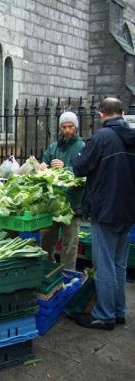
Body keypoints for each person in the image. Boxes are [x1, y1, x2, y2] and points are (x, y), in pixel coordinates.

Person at [73, 97, 135, 330]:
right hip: (128, 211)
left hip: (106, 209)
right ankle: (119, 311)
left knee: (105, 264)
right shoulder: (131, 138)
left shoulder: (102, 137)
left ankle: (105, 315)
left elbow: (80, 168)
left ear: (102, 114)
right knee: (119, 263)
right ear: (121, 113)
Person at [40, 112, 85, 270]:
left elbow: (84, 171)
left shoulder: (82, 146)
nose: (67, 130)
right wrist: (43, 166)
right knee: (47, 241)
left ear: (76, 127)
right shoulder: (54, 146)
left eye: (70, 127)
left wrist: (66, 168)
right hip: (53, 203)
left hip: (73, 204)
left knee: (70, 243)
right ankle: (46, 270)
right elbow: (44, 162)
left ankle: (68, 275)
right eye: (64, 127)